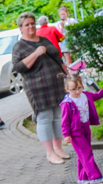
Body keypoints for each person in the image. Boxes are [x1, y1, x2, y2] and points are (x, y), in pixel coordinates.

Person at [11, 12, 73, 164]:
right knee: (45, 118)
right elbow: (19, 67)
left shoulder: (44, 40)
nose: (31, 26)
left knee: (58, 116)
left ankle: (58, 148)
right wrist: (36, 54)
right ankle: (50, 152)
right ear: (21, 28)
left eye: (32, 23)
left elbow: (58, 59)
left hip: (56, 83)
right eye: (27, 24)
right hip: (37, 88)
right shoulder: (19, 47)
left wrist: (69, 76)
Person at [60, 73, 103, 184]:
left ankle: (83, 178)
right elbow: (65, 121)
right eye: (73, 89)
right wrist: (66, 134)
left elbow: (97, 95)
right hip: (75, 132)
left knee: (82, 154)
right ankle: (95, 177)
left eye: (79, 88)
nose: (77, 91)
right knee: (87, 153)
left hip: (86, 127)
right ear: (67, 89)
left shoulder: (86, 95)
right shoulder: (67, 103)